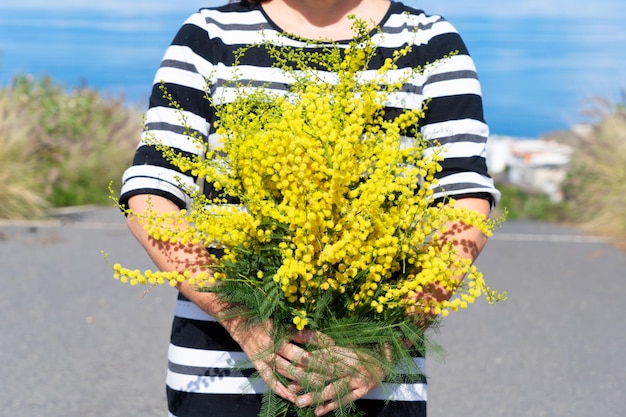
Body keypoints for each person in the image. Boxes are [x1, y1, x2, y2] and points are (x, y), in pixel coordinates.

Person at [119, 1, 500, 416]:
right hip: (219, 372)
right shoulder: (210, 34)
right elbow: (151, 193)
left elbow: (464, 203)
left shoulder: (429, 41)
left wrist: (385, 346)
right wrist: (241, 319)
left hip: (374, 381)